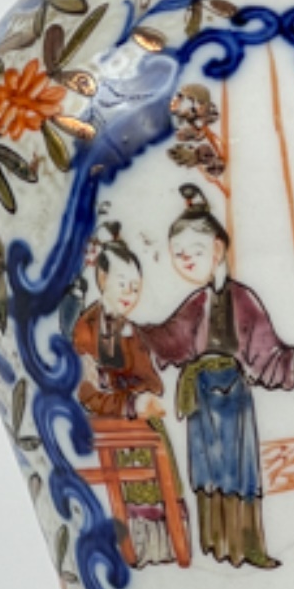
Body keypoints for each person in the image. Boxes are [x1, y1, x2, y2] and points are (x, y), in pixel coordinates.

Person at [142, 186, 294, 567]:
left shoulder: (244, 301)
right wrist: (135, 332)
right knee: (207, 471)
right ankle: (214, 547)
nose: (185, 261)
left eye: (194, 251)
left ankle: (247, 548)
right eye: (178, 255)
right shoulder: (195, 304)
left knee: (239, 472)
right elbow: (168, 339)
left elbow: (267, 354)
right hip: (200, 398)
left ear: (217, 249)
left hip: (233, 398)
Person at [72, 227, 182, 567]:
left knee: (157, 438)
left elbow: (152, 381)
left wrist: (143, 395)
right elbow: (86, 391)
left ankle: (165, 545)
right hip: (105, 418)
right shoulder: (85, 329)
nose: (130, 295)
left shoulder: (129, 329)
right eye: (123, 285)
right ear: (102, 279)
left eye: (135, 288)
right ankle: (133, 547)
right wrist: (129, 402)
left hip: (132, 412)